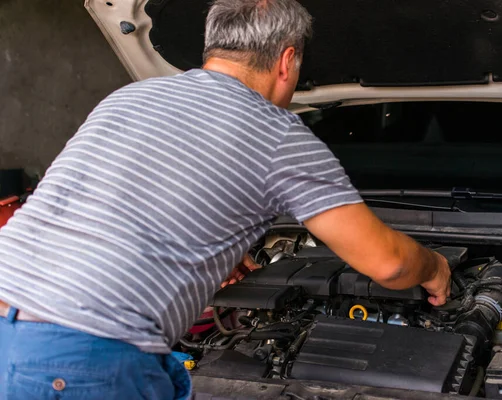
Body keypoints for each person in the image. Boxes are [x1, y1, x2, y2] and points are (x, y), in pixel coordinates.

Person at [0, 0, 450, 398]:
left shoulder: (130, 97)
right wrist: (434, 267)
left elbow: (119, 196)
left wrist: (214, 247)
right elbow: (389, 264)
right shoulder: (276, 134)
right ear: (287, 59)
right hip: (78, 354)